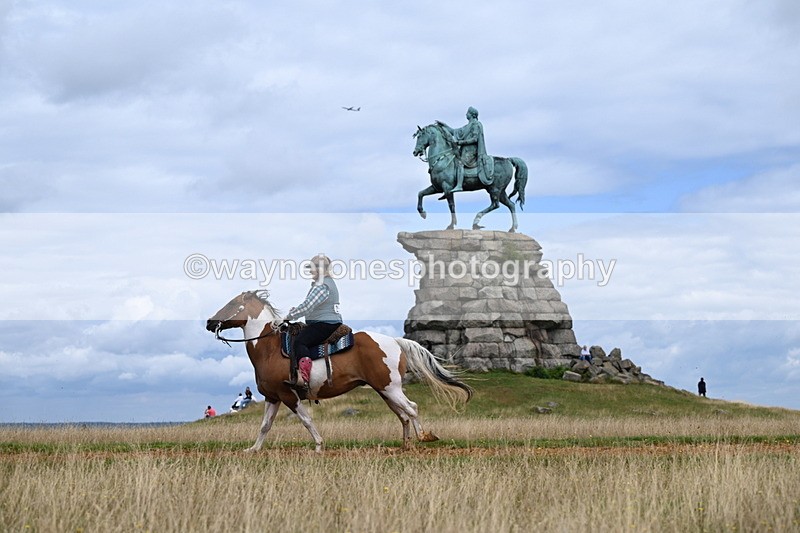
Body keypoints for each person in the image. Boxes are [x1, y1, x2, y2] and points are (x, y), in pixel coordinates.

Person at [273, 253, 343, 388]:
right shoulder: (326, 283)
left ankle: (304, 378)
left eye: (311, 268)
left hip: (324, 323)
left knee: (299, 342)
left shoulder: (321, 285)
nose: (310, 271)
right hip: (329, 321)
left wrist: (289, 317)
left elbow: (307, 306)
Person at [435, 106, 493, 198]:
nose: (466, 114)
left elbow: (475, 139)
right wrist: (444, 126)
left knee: (460, 163)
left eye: (467, 112)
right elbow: (454, 131)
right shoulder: (467, 126)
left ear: (472, 114)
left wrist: (461, 142)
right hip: (464, 150)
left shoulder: (476, 124)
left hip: (472, 151)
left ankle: (459, 185)